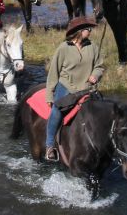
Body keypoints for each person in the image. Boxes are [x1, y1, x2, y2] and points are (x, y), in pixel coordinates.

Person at [44, 15, 105, 162]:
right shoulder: (63, 48)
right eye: (87, 29)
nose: (90, 31)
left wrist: (95, 75)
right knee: (57, 111)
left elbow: (99, 66)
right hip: (67, 87)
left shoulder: (93, 47)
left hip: (87, 88)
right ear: (79, 31)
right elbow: (54, 72)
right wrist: (49, 95)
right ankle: (50, 146)